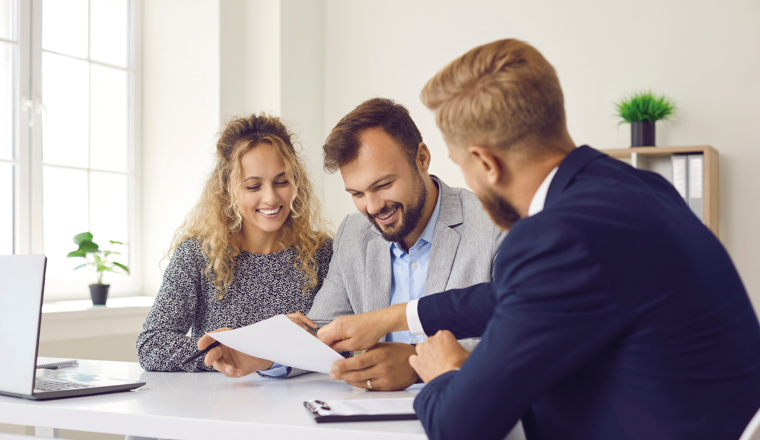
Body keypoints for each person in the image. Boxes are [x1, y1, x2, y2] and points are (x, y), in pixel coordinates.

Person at [317, 39, 760, 439]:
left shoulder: (558, 236)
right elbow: (510, 297)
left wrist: (443, 371)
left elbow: (458, 426)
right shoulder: (634, 187)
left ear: (486, 163)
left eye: (459, 162)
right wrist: (394, 317)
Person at [201, 98, 505, 391]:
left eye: (383, 185)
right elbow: (322, 329)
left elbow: (523, 335)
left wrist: (415, 366)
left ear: (422, 158)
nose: (372, 207)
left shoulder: (494, 221)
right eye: (357, 194)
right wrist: (263, 353)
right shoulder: (354, 232)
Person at [136, 113, 333, 372]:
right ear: (227, 189)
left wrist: (261, 345)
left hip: (299, 405)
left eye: (281, 182)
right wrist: (240, 348)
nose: (271, 198)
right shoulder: (198, 255)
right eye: (253, 186)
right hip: (221, 407)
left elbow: (341, 347)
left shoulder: (321, 252)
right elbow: (151, 345)